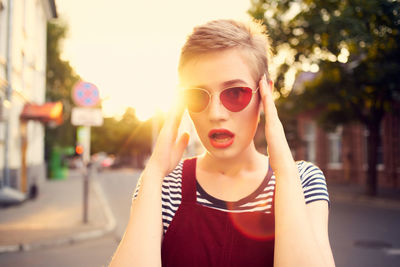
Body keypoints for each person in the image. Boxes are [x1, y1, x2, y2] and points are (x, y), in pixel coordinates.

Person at [109, 19, 335, 267]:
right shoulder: (164, 186)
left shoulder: (303, 180)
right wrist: (153, 174)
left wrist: (284, 171)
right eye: (197, 96)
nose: (215, 114)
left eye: (235, 93)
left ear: (265, 95)